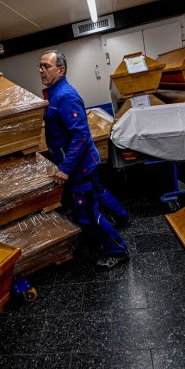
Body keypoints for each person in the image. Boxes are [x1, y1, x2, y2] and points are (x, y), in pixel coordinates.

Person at [38, 49, 130, 269]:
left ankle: (118, 249)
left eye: (46, 66)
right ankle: (122, 216)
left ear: (61, 70)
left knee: (87, 212)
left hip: (79, 167)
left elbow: (80, 135)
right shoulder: (53, 93)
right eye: (39, 66)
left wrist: (65, 168)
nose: (41, 70)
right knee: (97, 192)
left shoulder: (64, 95)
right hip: (83, 163)